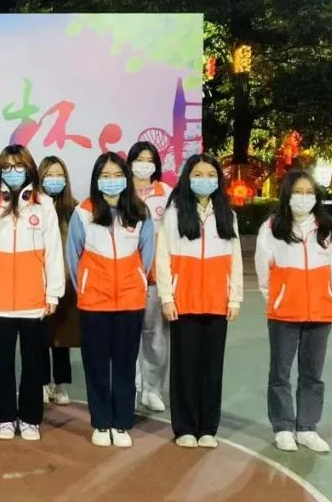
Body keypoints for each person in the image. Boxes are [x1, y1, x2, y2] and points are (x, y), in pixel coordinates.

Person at [0, 145, 64, 442]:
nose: (13, 172)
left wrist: (53, 293)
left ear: (29, 169)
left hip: (33, 300)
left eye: (18, 166)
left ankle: (30, 418)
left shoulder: (43, 204)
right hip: (0, 301)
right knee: (2, 364)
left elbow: (53, 251)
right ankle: (5, 418)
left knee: (33, 364)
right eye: (7, 167)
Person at [155, 153, 242, 449]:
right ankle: (185, 427)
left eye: (211, 175)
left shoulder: (228, 216)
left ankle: (207, 428)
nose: (205, 180)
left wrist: (234, 297)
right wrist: (167, 297)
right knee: (185, 367)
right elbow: (163, 258)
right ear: (188, 178)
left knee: (212, 368)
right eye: (198, 175)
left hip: (218, 303)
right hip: (184, 302)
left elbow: (236, 260)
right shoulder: (174, 214)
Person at [67, 153, 155, 448]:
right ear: (96, 180)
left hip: (130, 302)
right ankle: (101, 422)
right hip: (94, 302)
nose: (112, 180)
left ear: (126, 178)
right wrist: (86, 287)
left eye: (117, 175)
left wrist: (136, 282)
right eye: (105, 176)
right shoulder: (84, 212)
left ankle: (122, 423)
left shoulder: (140, 212)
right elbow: (73, 256)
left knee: (125, 364)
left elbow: (147, 255)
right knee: (96, 364)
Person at [255, 170, 332, 454]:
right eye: (298, 192)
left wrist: (321, 295)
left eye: (309, 192)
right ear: (287, 195)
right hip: (284, 314)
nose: (304, 198)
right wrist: (279, 299)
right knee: (280, 373)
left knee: (312, 373)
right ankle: (283, 427)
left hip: (320, 312)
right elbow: (263, 271)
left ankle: (307, 428)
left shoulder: (328, 230)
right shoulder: (271, 228)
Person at [127, 141, 174, 413]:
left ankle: (152, 389)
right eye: (139, 160)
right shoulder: (122, 193)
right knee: (128, 336)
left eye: (149, 160)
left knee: (156, 338)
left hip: (156, 277)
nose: (144, 165)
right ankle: (131, 387)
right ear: (130, 163)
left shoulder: (166, 194)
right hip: (127, 278)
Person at [38, 156, 79, 407]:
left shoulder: (75, 209)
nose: (55, 179)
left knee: (62, 336)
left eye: (59, 175)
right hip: (37, 282)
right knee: (41, 336)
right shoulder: (34, 207)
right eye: (49, 175)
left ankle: (61, 383)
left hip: (67, 282)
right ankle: (42, 381)